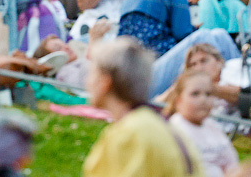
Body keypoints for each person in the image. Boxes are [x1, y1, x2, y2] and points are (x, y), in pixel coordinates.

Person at [83, 37, 204, 177]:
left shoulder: (130, 133)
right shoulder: (159, 124)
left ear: (105, 82)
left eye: (91, 74)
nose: (87, 82)